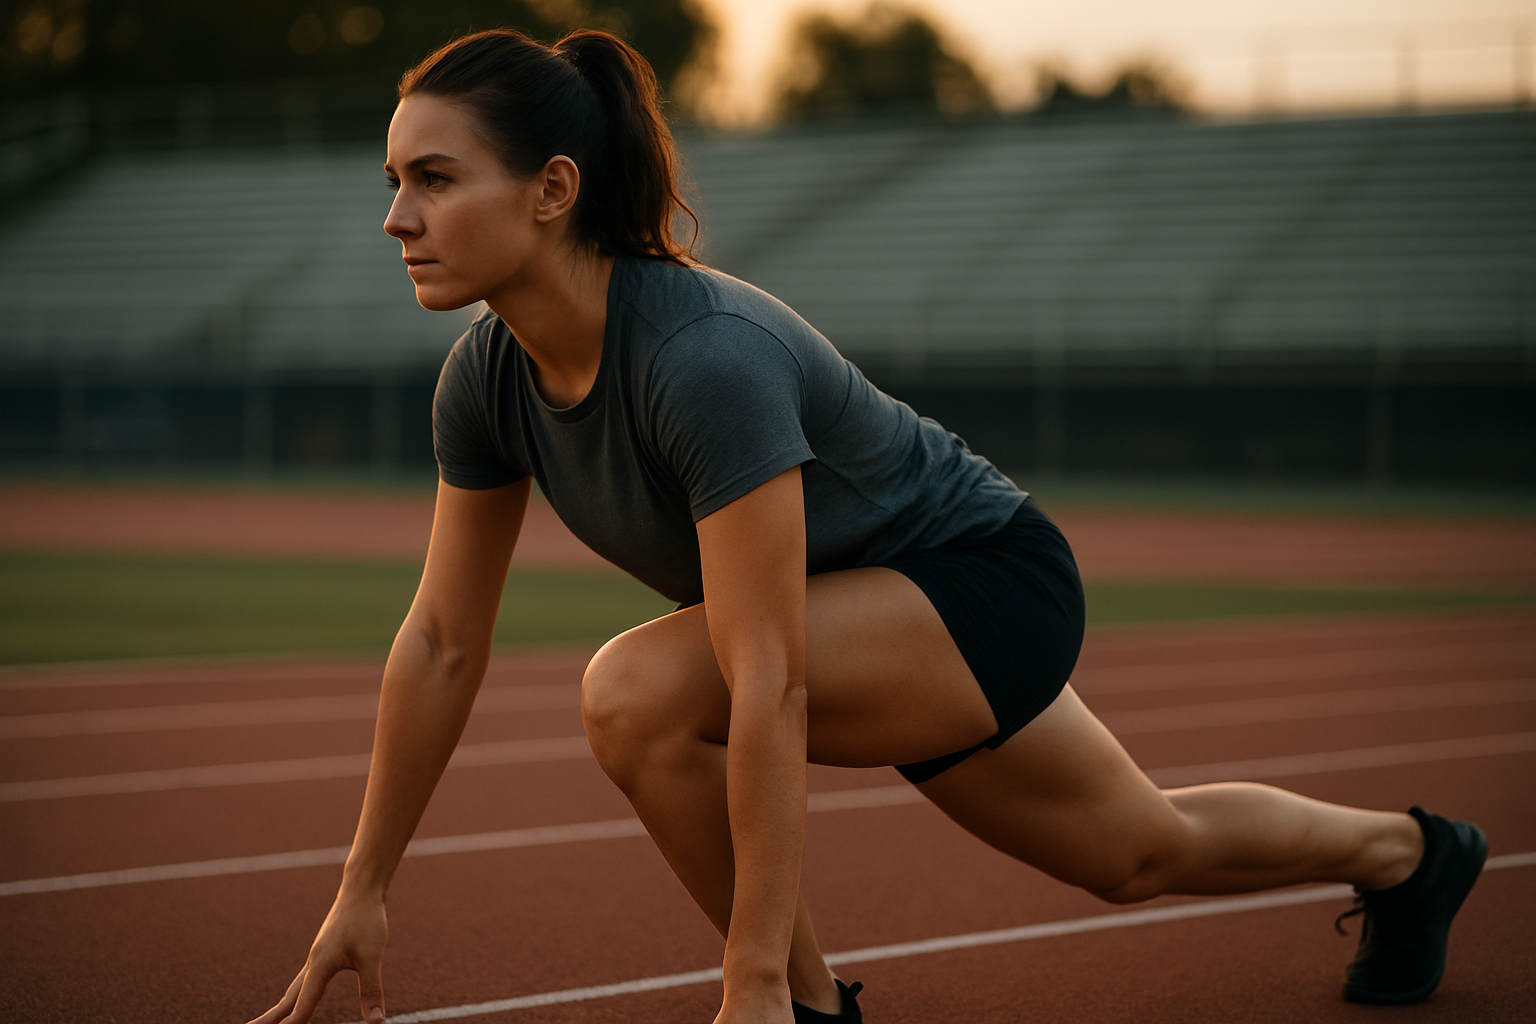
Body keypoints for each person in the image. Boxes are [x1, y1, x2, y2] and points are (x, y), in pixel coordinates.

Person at [248, 28, 1487, 1024]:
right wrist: (361, 890)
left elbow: (767, 675)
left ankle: (799, 998)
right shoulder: (486, 379)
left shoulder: (699, 357)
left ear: (552, 191)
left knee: (636, 690)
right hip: (868, 612)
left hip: (979, 581)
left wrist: (749, 983)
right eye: (395, 180)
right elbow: (442, 643)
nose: (397, 217)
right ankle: (1409, 855)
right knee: (1137, 851)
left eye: (434, 178)